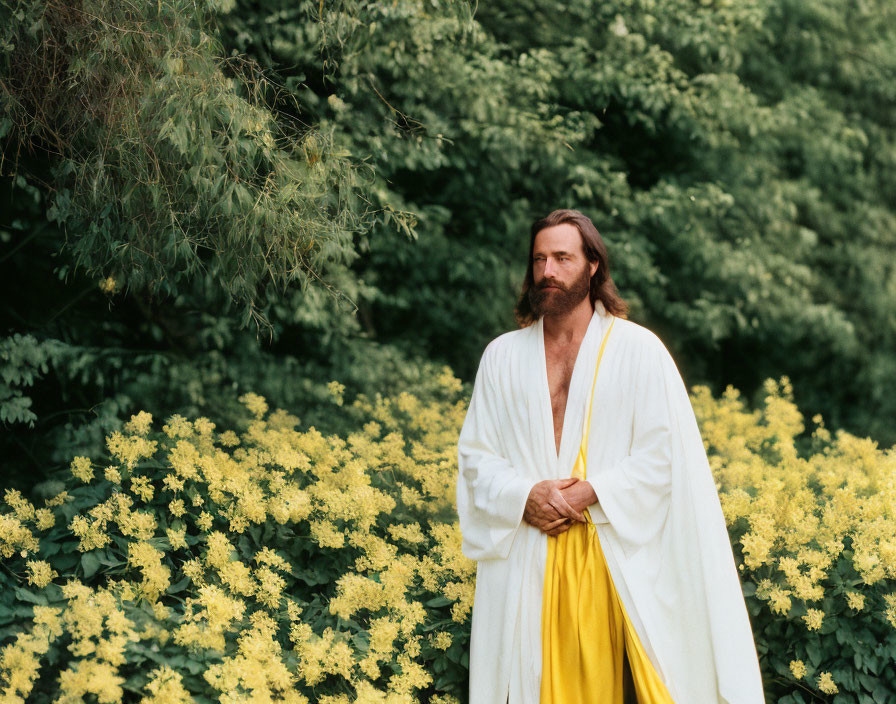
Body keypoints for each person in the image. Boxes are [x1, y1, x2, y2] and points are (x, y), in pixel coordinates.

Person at [456, 209, 766, 704]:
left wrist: (594, 490)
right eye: (539, 259)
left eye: (562, 257)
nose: (548, 271)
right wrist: (525, 495)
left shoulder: (639, 351)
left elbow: (665, 455)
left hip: (616, 560)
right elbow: (476, 457)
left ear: (593, 264)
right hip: (527, 559)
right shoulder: (502, 356)